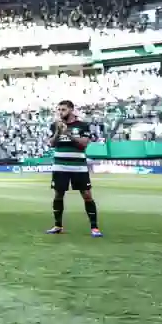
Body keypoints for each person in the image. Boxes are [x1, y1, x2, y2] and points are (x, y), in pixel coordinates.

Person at [46, 100, 102, 237]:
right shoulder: (55, 125)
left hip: (78, 167)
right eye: (59, 109)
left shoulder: (82, 125)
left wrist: (69, 134)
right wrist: (58, 133)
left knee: (87, 195)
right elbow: (51, 144)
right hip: (59, 166)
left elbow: (84, 144)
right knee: (58, 194)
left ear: (71, 110)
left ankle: (94, 227)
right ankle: (58, 226)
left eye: (63, 109)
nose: (60, 112)